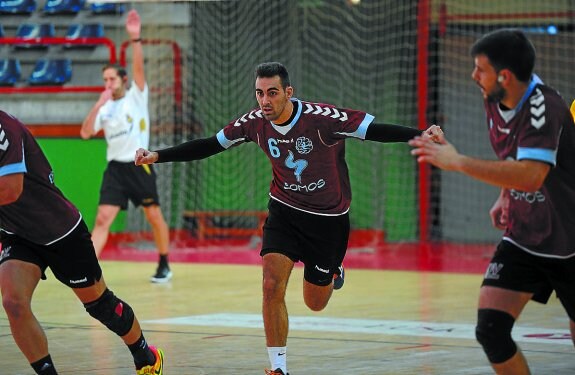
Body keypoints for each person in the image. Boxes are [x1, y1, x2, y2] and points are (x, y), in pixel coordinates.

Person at [135, 61, 442, 375]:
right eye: (259, 93)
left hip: (328, 220)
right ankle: (277, 368)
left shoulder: (321, 119)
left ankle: (332, 269)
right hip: (284, 210)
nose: (265, 101)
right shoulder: (254, 123)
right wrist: (159, 155)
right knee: (270, 284)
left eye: (272, 93)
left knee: (315, 302)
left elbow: (374, 130)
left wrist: (421, 134)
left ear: (288, 92)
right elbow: (211, 145)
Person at [409, 29, 575, 374]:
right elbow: (515, 156)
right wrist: (504, 194)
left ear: (505, 76)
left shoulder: (546, 108)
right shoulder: (494, 99)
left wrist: (456, 161)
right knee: (491, 330)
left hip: (571, 238)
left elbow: (531, 174)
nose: (473, 76)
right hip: (527, 233)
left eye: (479, 69)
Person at [0, 110, 164, 375]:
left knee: (101, 306)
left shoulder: (4, 128)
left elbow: (10, 189)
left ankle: (145, 355)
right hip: (17, 233)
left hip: (60, 230)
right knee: (13, 302)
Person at [80, 9, 171, 283]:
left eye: (112, 79)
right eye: (105, 79)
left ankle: (164, 264)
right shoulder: (104, 107)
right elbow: (85, 133)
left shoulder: (136, 97)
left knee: (154, 216)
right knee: (102, 219)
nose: (108, 83)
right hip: (115, 169)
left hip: (139, 164)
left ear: (123, 81)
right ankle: (89, 270)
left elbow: (139, 69)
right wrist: (98, 104)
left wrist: (135, 39)